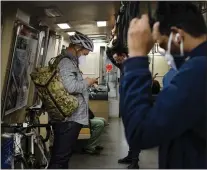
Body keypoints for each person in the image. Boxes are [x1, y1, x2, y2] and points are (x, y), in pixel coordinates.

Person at [121, 2, 207, 169]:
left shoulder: (198, 71)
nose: (165, 53)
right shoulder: (196, 67)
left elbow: (140, 133)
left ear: (177, 35)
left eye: (162, 45)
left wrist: (136, 58)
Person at [48, 31, 98, 169]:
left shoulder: (69, 62)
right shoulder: (65, 63)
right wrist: (87, 82)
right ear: (77, 48)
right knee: (60, 159)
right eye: (85, 53)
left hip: (70, 118)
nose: (85, 57)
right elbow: (70, 87)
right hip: (68, 120)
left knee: (63, 157)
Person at [106, 46, 140, 169]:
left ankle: (135, 161)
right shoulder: (123, 65)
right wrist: (115, 49)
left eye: (119, 58)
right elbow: (110, 56)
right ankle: (130, 156)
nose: (117, 61)